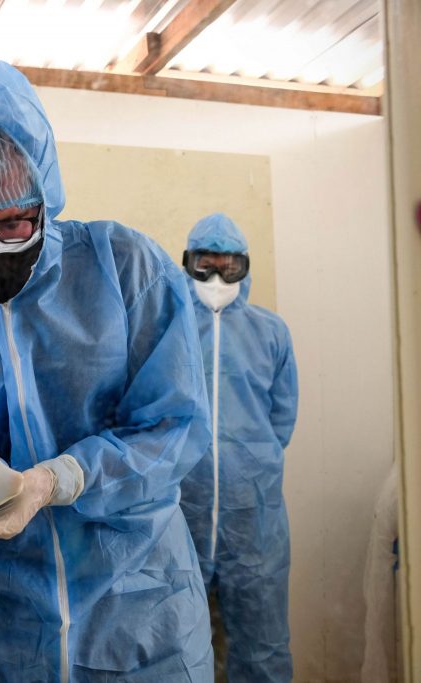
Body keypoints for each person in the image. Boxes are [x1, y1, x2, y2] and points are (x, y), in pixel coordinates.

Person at [0, 56, 214, 681]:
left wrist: (54, 480)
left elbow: (174, 428)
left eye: (13, 221)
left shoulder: (124, 270)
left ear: (45, 197)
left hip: (140, 614)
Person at [178, 213, 298, 683]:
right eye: (205, 265)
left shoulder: (271, 333)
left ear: (244, 268)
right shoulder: (169, 329)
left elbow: (281, 420)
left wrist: (246, 464)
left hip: (254, 520)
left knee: (261, 645)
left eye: (229, 266)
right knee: (177, 644)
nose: (216, 278)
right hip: (179, 515)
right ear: (187, 263)